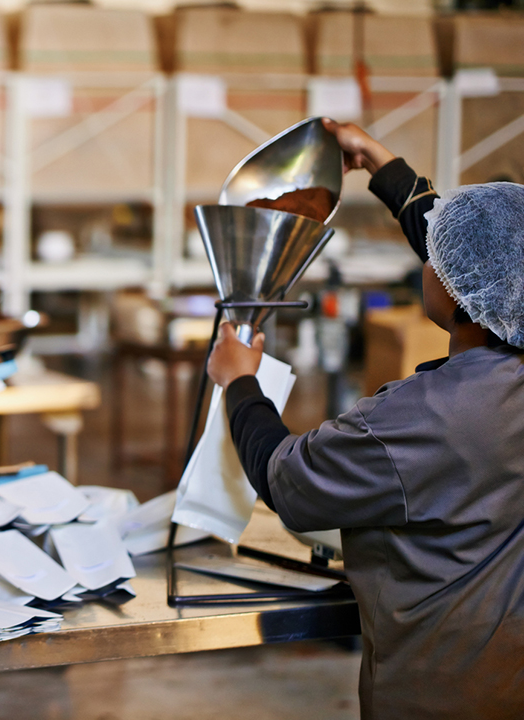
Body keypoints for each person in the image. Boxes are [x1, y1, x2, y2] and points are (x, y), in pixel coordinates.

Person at [207, 119, 524, 718]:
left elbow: (286, 479)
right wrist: (383, 167)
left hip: (437, 693)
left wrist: (239, 379)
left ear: (458, 295)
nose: (427, 261)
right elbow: (484, 259)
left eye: (435, 259)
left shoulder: (420, 420)